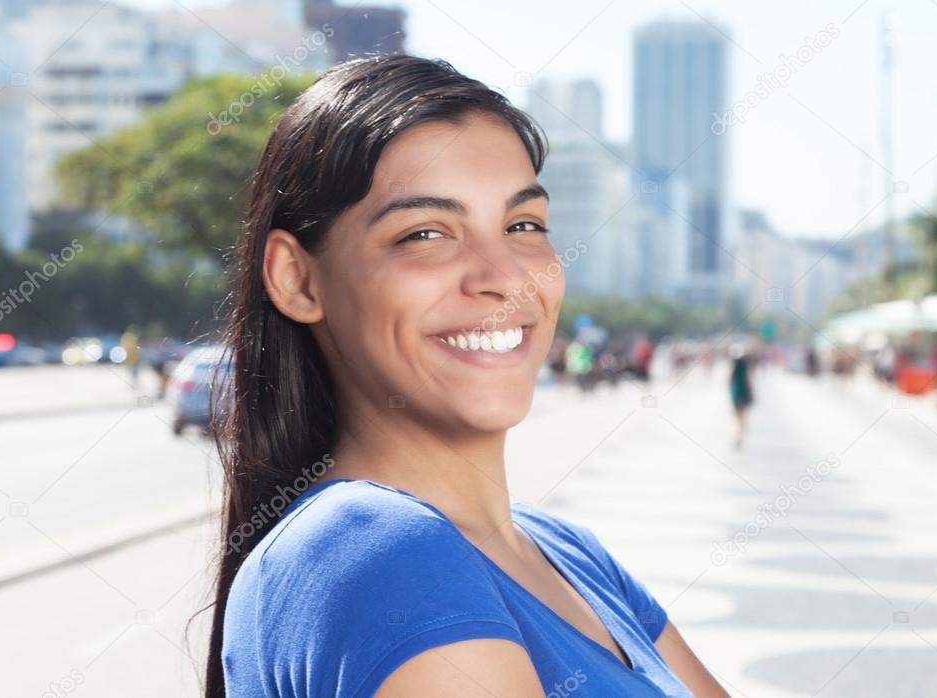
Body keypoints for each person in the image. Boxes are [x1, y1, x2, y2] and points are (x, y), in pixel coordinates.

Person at [206, 55, 728, 698]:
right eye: (426, 232)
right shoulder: (377, 549)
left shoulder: (565, 552)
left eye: (522, 225)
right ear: (297, 278)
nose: (503, 276)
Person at [728, 343, 754, 448]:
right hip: (742, 393)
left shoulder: (733, 366)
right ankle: (739, 433)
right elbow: (747, 381)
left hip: (735, 393)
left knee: (737, 416)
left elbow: (729, 381)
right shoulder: (744, 366)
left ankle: (738, 434)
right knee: (742, 416)